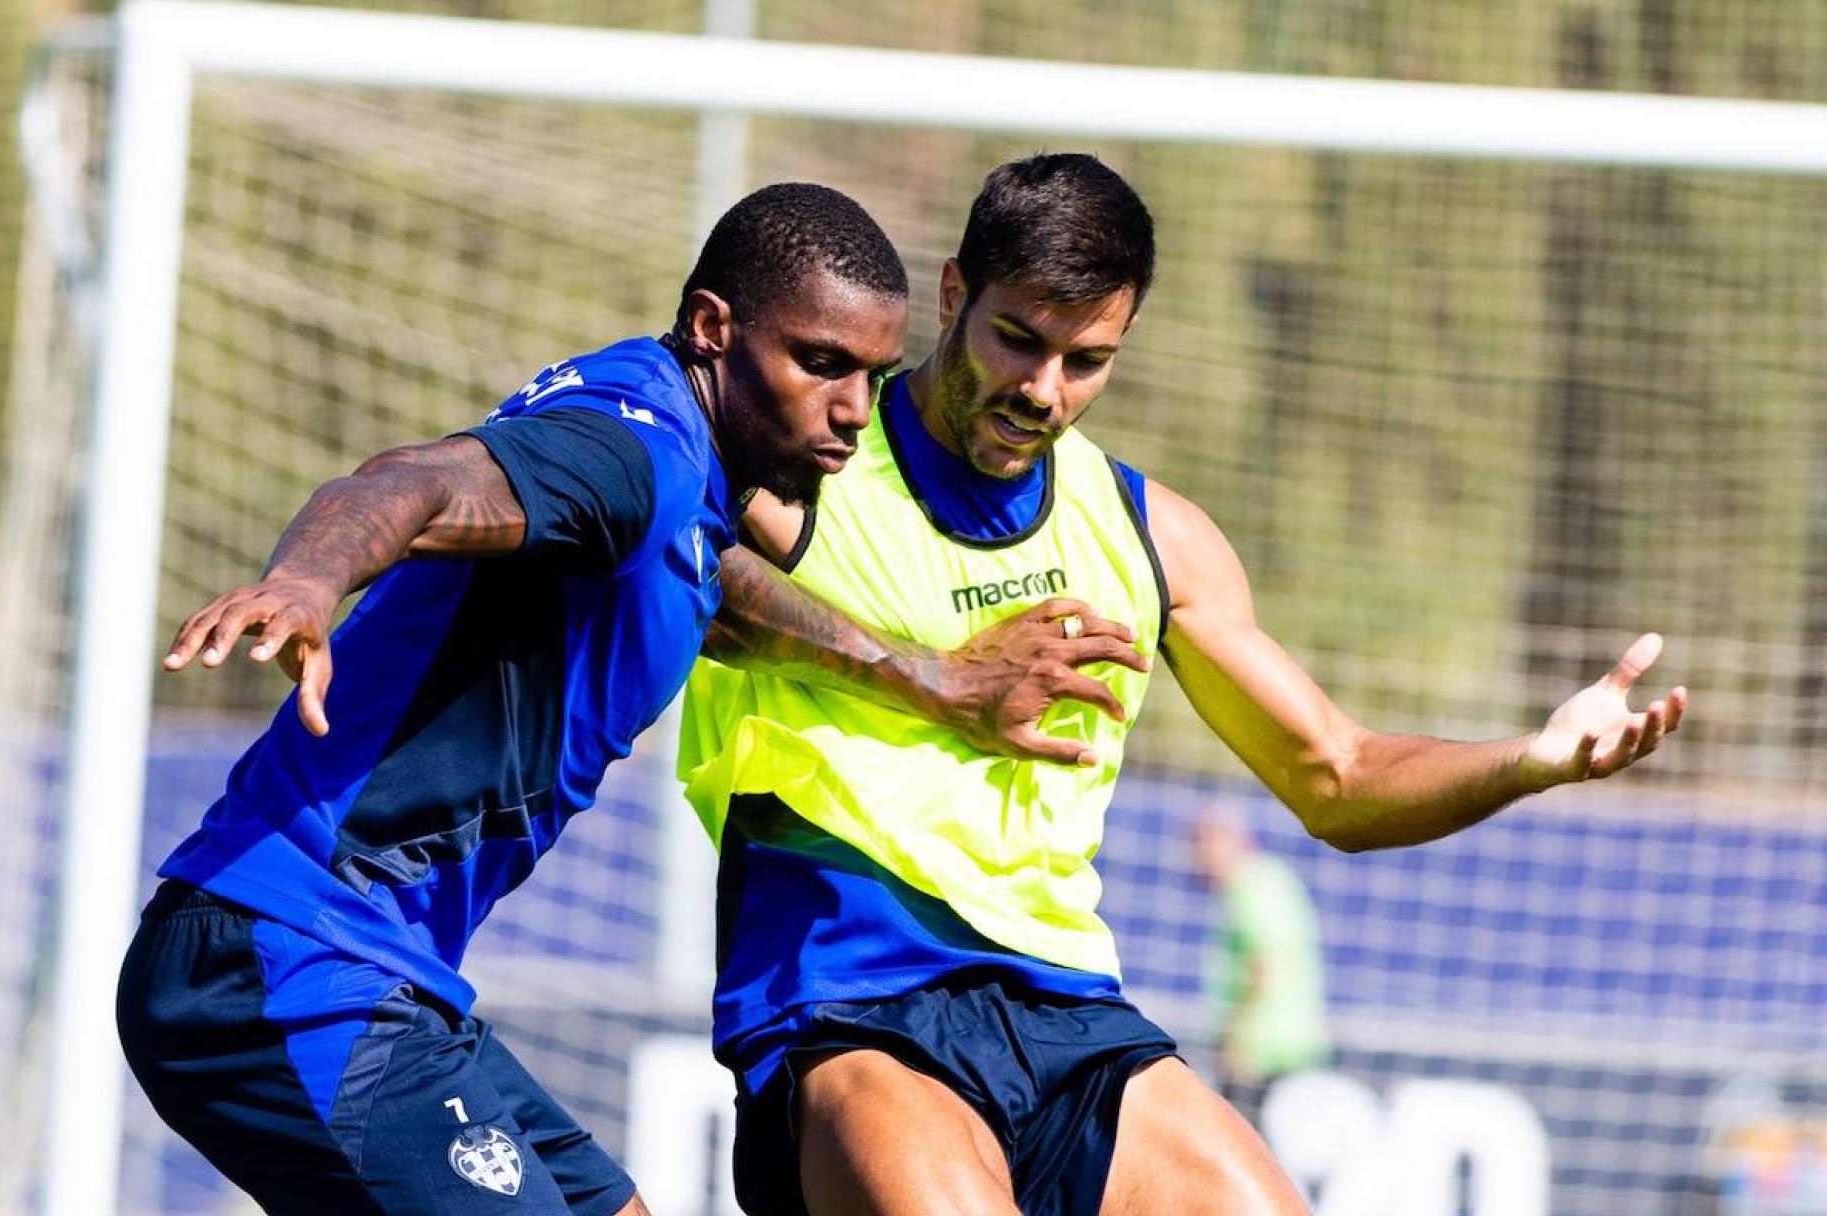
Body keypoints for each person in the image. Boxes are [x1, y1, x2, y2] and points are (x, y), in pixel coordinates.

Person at [681, 153, 1689, 1216]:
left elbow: (1336, 776)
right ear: (950, 295)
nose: (1042, 391)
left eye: (1087, 360)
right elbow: (672, 566)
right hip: (851, 1000)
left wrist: (1530, 760)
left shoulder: (1146, 534)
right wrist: (938, 679)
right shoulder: (805, 462)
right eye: (1017, 339)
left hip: (1068, 1011)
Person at [116, 182, 1105, 1216]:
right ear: (716, 328)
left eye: (872, 375)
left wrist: (935, 679)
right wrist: (308, 582)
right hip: (278, 956)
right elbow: (414, 482)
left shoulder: (676, 471)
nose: (854, 410)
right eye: (819, 363)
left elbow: (716, 586)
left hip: (382, 976)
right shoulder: (623, 450)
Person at [1192, 802, 1332, 1122]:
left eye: (1201, 845)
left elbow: (1261, 967)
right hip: (1291, 1045)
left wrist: (1237, 1041)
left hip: (1264, 1052)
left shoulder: (1249, 886)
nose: (1195, 860)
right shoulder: (1272, 880)